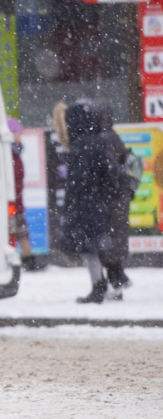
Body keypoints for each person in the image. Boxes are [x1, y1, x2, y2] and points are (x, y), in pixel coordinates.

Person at [59, 100, 120, 304]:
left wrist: (69, 205)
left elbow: (77, 181)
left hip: (84, 204)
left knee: (89, 248)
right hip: (96, 202)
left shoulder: (80, 145)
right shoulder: (96, 141)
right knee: (96, 245)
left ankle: (98, 287)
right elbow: (105, 175)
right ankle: (109, 281)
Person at [93, 101, 133, 299]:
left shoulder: (102, 138)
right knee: (118, 237)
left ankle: (117, 280)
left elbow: (110, 168)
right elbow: (127, 160)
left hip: (110, 197)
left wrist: (106, 185)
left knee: (108, 240)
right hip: (120, 196)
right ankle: (118, 279)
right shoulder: (113, 135)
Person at [7, 116, 36, 270]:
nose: (20, 137)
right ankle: (27, 260)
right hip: (14, 202)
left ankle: (27, 259)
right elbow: (16, 181)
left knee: (18, 230)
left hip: (16, 202)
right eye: (17, 134)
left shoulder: (13, 155)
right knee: (17, 230)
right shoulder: (12, 156)